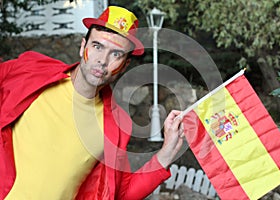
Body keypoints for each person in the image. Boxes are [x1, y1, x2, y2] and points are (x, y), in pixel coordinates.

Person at [0, 5, 184, 200]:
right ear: (83, 47)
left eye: (116, 54)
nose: (102, 61)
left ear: (125, 64)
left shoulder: (116, 125)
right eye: (98, 46)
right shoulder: (30, 72)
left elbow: (119, 193)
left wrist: (166, 153)